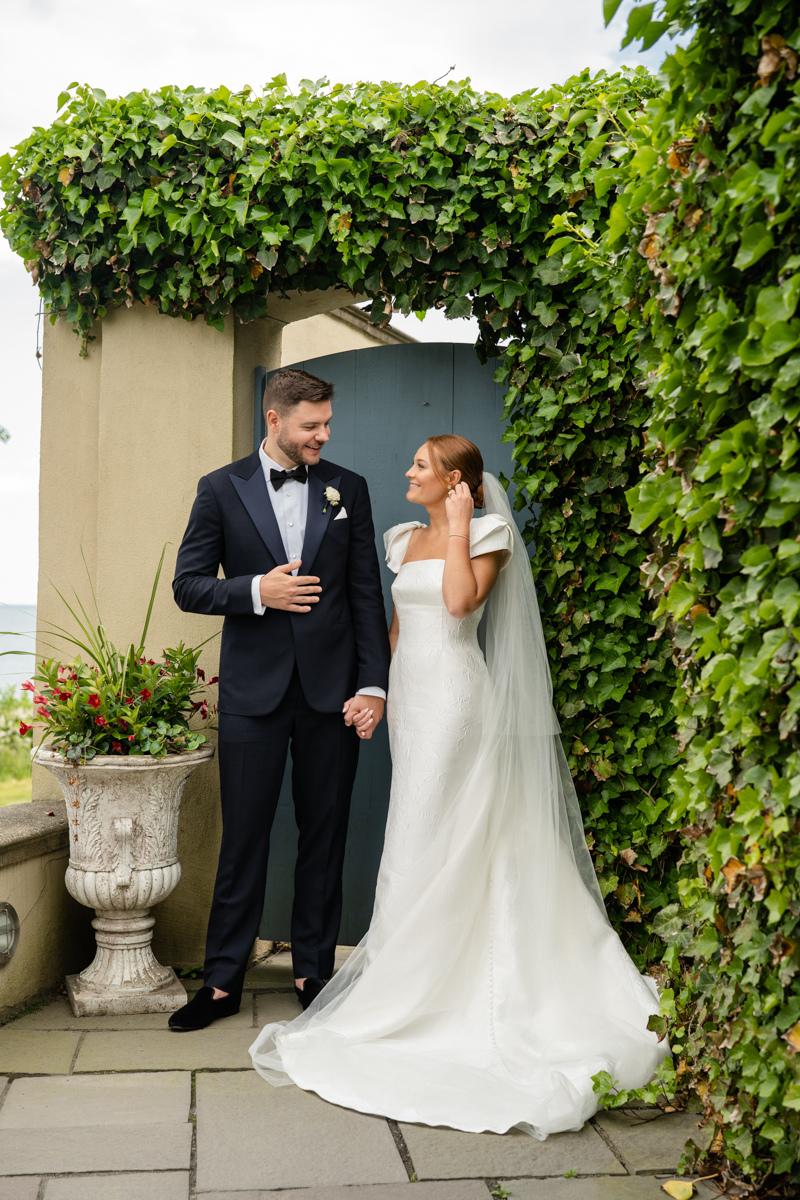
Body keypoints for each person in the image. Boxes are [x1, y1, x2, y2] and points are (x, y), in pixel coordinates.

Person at [248, 434, 667, 1138]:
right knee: (422, 818)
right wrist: (375, 692)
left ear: (453, 481)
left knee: (429, 826)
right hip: (412, 696)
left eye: (421, 466)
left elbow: (457, 605)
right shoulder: (400, 537)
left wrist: (458, 524)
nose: (408, 471)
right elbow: (394, 627)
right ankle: (409, 975)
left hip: (456, 698)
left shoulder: (487, 534)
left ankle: (426, 987)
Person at [168, 368, 390, 1031]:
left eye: (327, 424)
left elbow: (363, 593)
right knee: (245, 841)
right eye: (311, 425)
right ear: (275, 420)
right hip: (251, 696)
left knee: (324, 836)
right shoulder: (220, 489)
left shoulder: (346, 488)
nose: (323, 434)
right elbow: (188, 585)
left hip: (332, 695)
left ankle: (311, 970)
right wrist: (256, 592)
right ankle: (222, 982)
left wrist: (373, 684)